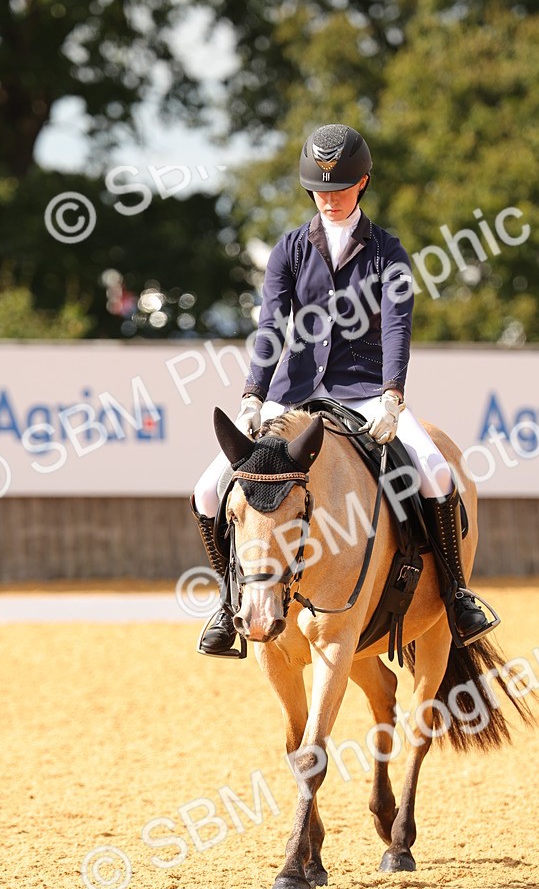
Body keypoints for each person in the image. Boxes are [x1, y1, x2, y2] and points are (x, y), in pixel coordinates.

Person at [191, 122, 499, 656]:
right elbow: (271, 327)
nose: (329, 200)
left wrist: (392, 396)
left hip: (364, 393)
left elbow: (398, 328)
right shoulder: (289, 249)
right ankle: (227, 602)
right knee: (206, 490)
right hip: (293, 395)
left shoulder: (389, 253)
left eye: (340, 189)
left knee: (438, 472)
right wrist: (252, 395)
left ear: (363, 185)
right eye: (320, 191)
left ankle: (456, 596)